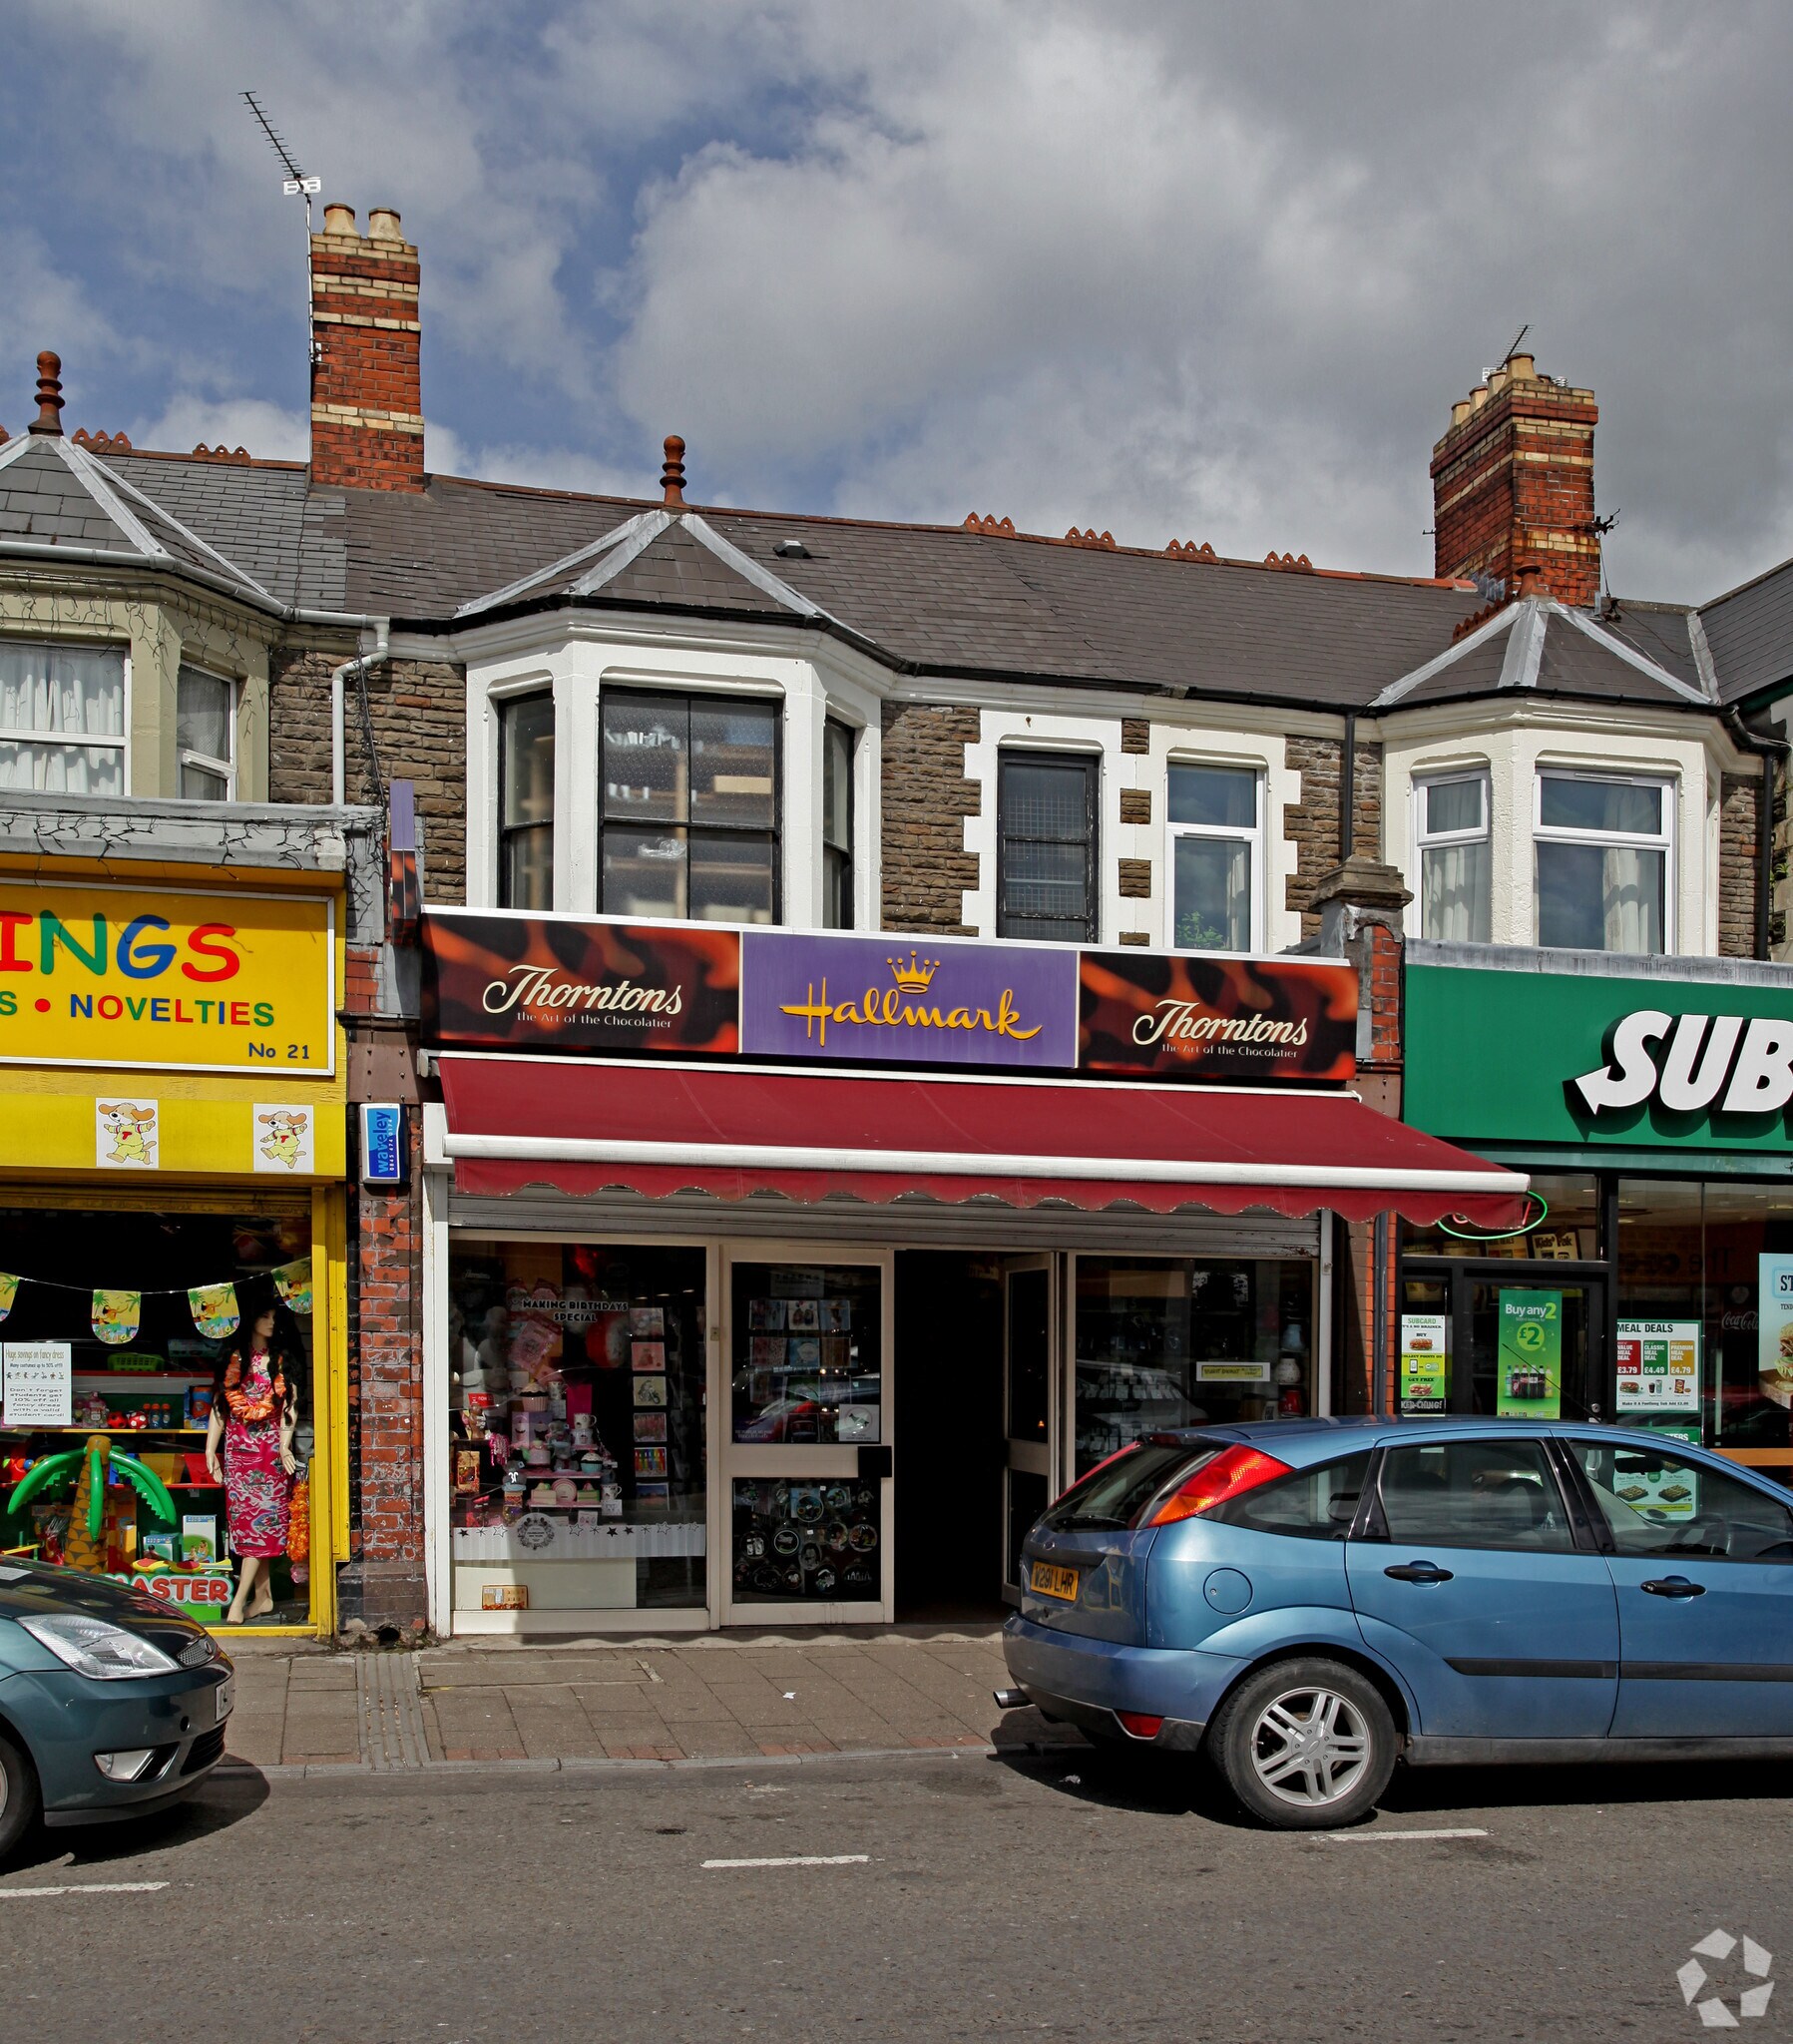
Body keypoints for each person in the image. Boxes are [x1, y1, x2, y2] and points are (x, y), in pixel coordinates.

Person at [205, 1297, 302, 1624]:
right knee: (246, 1527)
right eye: (264, 1315)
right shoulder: (235, 1361)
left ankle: (238, 1602)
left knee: (264, 1527)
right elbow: (220, 1409)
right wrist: (210, 1451)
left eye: (275, 1317)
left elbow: (290, 1407)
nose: (271, 1322)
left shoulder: (280, 1362)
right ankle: (264, 1598)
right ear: (250, 1319)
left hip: (270, 1457)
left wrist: (285, 1446)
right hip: (238, 1455)